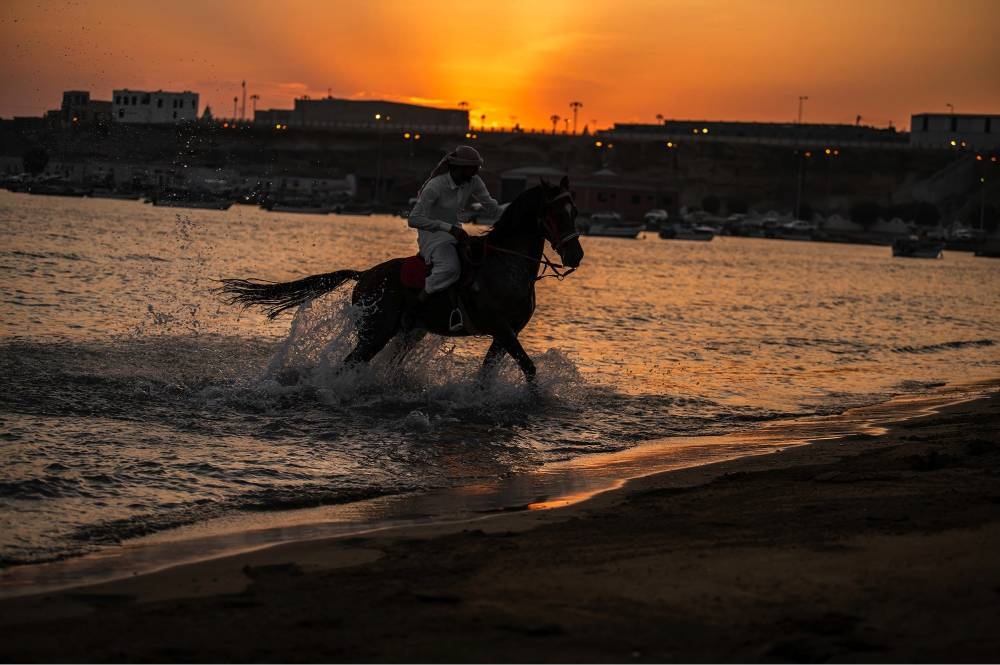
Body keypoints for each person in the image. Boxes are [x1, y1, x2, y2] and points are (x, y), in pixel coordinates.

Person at [408, 145, 501, 304]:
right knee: (450, 269)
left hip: (457, 234)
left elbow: (491, 207)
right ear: (459, 168)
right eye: (473, 168)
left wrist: (517, 216)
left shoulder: (474, 181)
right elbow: (414, 219)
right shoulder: (435, 186)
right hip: (433, 237)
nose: (476, 172)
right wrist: (448, 228)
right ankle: (419, 303)